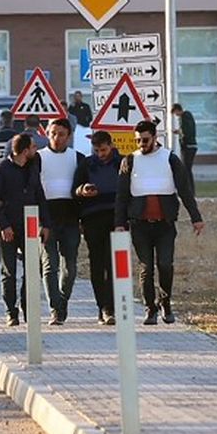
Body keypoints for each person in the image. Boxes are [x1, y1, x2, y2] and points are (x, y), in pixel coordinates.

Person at [114, 120, 204, 325]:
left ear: (155, 138)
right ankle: (150, 309)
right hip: (140, 224)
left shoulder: (170, 159)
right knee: (146, 267)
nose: (141, 144)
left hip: (164, 224)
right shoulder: (130, 161)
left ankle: (165, 302)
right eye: (137, 140)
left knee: (165, 264)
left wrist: (196, 218)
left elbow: (185, 191)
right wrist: (119, 223)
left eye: (145, 140)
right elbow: (122, 196)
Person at [0, 134, 46, 326]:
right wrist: (4, 225)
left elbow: (40, 196)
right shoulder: (1, 169)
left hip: (29, 227)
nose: (36, 150)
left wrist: (45, 224)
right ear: (24, 150)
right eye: (33, 147)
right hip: (7, 227)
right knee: (9, 271)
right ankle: (11, 312)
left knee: (32, 270)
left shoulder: (33, 168)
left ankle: (29, 310)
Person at [74, 130, 123, 325]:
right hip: (93, 219)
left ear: (111, 145)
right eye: (96, 150)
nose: (100, 154)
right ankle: (101, 306)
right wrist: (82, 190)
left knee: (113, 265)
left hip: (116, 219)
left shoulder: (122, 163)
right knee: (97, 265)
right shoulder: (87, 164)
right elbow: (74, 190)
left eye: (103, 150)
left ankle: (111, 307)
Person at [39, 118, 82, 326]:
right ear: (47, 133)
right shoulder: (38, 158)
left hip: (70, 218)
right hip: (46, 218)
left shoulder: (78, 158)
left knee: (70, 267)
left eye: (61, 134)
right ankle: (55, 309)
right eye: (53, 133)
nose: (56, 138)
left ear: (69, 136)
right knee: (50, 265)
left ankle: (62, 302)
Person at [172, 103, 198, 171]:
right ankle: (188, 181)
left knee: (187, 168)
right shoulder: (185, 117)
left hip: (189, 146)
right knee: (186, 168)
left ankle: (188, 181)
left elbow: (187, 131)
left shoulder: (185, 116)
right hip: (188, 146)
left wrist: (180, 132)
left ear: (177, 110)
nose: (176, 115)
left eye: (175, 112)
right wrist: (179, 131)